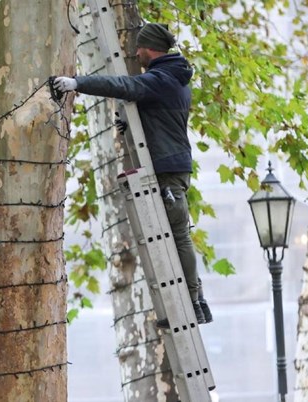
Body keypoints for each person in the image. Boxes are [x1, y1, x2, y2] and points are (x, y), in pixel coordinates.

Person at [53, 23, 213, 328]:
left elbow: (123, 87)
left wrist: (76, 83)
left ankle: (193, 303)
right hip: (171, 166)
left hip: (168, 170)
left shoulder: (162, 79)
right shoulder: (172, 78)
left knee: (179, 236)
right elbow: (160, 115)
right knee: (180, 235)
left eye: (139, 47)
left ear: (150, 48)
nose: (136, 52)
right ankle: (197, 302)